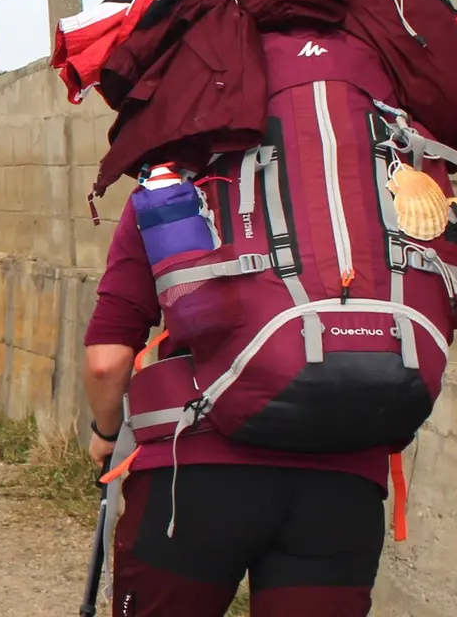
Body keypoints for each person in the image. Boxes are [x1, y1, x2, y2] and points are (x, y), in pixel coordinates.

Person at [84, 187, 390, 617]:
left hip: (193, 472)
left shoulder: (172, 186)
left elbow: (106, 363)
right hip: (345, 479)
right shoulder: (379, 179)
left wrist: (106, 432)